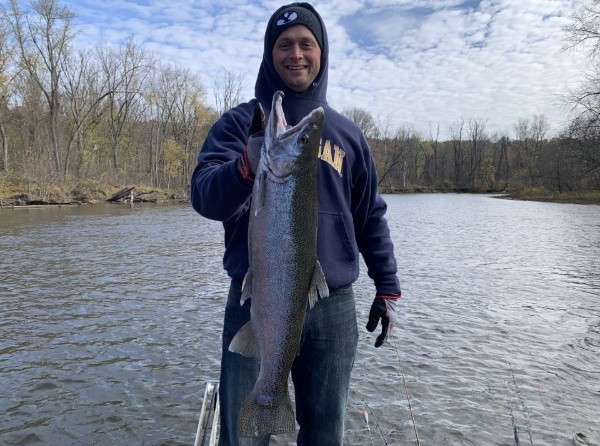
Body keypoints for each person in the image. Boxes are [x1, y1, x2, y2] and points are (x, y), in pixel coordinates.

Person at [190, 3, 401, 445]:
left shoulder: (347, 135)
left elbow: (370, 216)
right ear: (270, 54)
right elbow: (204, 196)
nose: (296, 54)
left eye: (307, 44)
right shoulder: (238, 125)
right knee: (243, 436)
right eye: (284, 45)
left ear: (322, 53)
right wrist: (245, 166)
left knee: (325, 433)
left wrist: (387, 285)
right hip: (258, 297)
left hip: (333, 305)